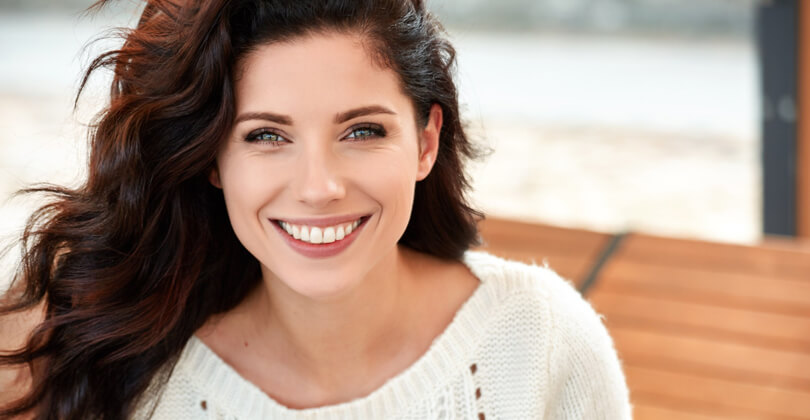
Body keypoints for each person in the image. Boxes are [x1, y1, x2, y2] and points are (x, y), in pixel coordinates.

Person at [0, 0, 633, 418]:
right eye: (266, 136)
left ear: (426, 142)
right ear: (213, 161)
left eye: (362, 131)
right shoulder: (134, 373)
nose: (319, 186)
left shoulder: (543, 340)